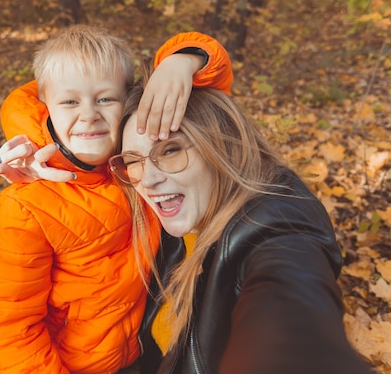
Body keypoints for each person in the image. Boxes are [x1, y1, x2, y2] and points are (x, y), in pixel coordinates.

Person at [0, 25, 233, 374]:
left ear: (130, 100)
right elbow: (12, 326)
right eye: (70, 101)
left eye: (105, 99)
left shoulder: (137, 166)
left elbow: (209, 88)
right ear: (46, 107)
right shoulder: (26, 206)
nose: (89, 115)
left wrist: (182, 62)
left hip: (141, 353)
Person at [107, 80, 374, 374]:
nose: (147, 179)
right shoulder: (170, 224)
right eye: (133, 160)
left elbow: (289, 301)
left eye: (170, 151)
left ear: (218, 144)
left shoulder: (275, 226)